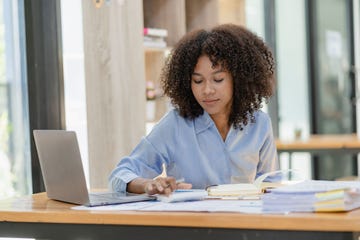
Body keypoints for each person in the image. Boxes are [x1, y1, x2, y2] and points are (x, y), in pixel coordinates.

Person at [109, 23, 279, 195]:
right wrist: (148, 185)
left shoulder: (259, 124)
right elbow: (120, 175)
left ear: (239, 78)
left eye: (218, 79)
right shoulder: (175, 124)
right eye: (198, 81)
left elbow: (270, 185)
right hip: (192, 219)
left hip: (244, 220)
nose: (207, 90)